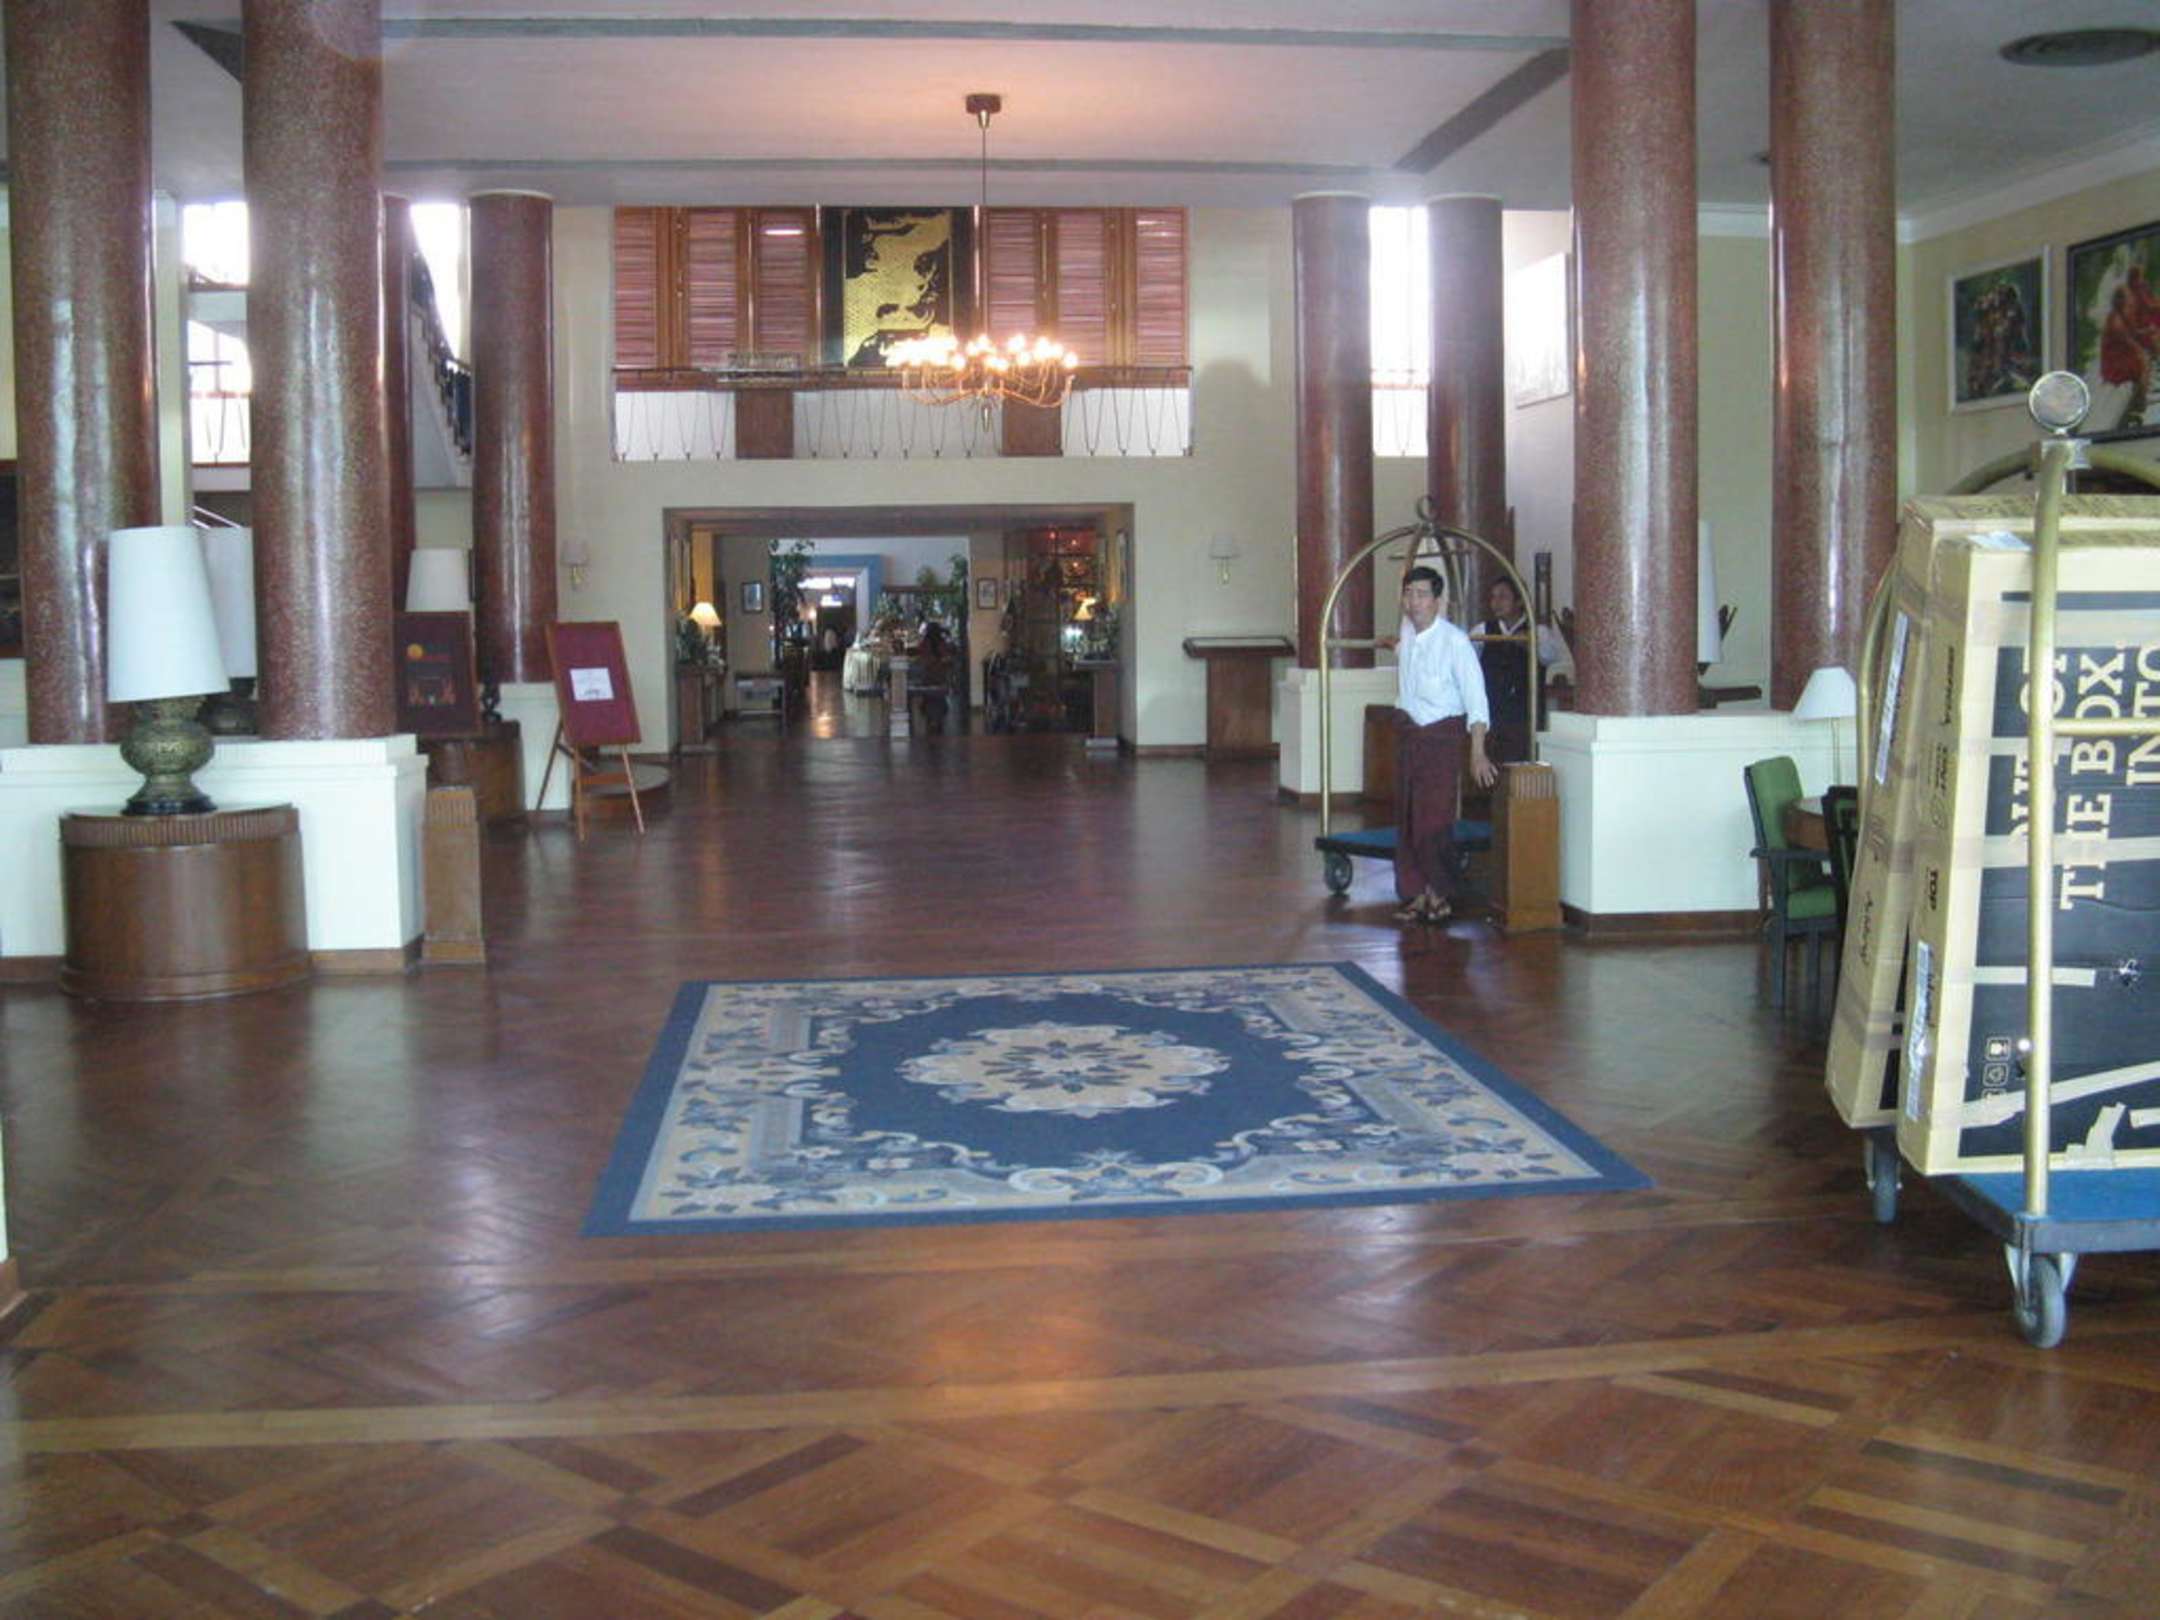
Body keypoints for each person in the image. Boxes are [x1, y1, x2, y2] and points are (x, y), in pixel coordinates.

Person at [1386, 566, 1496, 925]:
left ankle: (1439, 894)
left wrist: (1478, 752)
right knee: (1408, 818)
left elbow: (1476, 700)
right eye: (1408, 594)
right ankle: (1415, 893)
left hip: (1440, 741)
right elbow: (1406, 656)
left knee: (1433, 820)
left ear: (1438, 601)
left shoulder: (1455, 642)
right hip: (1410, 738)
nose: (1414, 602)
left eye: (1421, 594)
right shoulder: (1408, 633)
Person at [1472, 576, 1572, 765]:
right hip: (1492, 718)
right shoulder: (1483, 631)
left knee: (1522, 767)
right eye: (1493, 597)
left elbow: (1550, 656)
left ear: (1519, 601)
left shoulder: (1538, 632)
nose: (1496, 603)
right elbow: (1468, 664)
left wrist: (1530, 644)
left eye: (1503, 597)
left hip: (1525, 720)